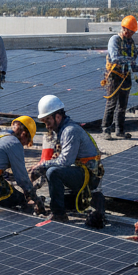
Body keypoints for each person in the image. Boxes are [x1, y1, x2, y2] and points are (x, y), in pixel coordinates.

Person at [29, 95, 105, 227]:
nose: (47, 126)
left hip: (89, 176)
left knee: (53, 172)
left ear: (57, 117)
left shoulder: (70, 131)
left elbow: (64, 162)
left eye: (48, 121)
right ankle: (63, 205)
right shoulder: (62, 131)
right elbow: (56, 159)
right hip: (81, 172)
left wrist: (42, 166)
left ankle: (59, 214)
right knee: (52, 175)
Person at [101, 16, 138, 140]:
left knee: (123, 105)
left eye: (132, 32)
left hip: (126, 76)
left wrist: (135, 67)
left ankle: (120, 130)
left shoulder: (131, 42)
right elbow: (115, 58)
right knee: (111, 103)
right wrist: (130, 62)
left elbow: (133, 56)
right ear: (123, 28)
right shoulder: (114, 40)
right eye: (128, 31)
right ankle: (106, 129)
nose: (130, 34)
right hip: (114, 76)